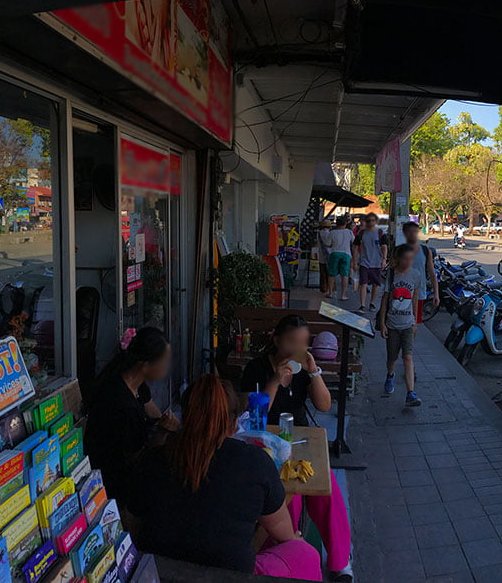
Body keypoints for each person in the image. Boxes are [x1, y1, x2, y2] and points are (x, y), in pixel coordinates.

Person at [130, 375, 322, 580]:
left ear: (185, 418)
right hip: (229, 577)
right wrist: (295, 540)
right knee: (305, 553)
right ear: (233, 425)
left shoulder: (153, 460)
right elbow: (283, 533)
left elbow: (133, 522)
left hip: (158, 574)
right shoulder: (255, 462)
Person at [240, 316, 354, 581]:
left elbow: (324, 406)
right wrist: (276, 382)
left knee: (327, 491)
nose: (297, 350)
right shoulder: (257, 369)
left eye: (303, 344)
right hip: (264, 444)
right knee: (287, 498)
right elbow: (252, 415)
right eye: (292, 343)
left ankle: (340, 561)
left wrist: (313, 371)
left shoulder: (303, 370)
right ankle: (284, 558)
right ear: (277, 341)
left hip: (300, 441)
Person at [84, 327, 179, 509]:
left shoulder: (134, 383)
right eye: (164, 362)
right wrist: (162, 431)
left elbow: (154, 413)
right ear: (145, 365)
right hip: (111, 482)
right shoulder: (122, 405)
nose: (167, 367)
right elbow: (139, 460)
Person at [379, 244, 423, 406]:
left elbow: (415, 299)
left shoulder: (415, 275)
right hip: (392, 324)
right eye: (405, 259)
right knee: (392, 357)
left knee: (408, 356)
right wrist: (382, 323)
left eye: (411, 259)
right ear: (398, 259)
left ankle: (410, 392)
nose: (408, 262)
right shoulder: (391, 275)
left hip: (407, 324)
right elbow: (384, 300)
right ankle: (390, 375)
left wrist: (415, 321)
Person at [401, 221, 440, 323]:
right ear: (405, 233)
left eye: (415, 231)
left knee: (414, 322)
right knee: (400, 323)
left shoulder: (425, 250)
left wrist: (436, 294)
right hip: (401, 293)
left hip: (419, 293)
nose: (413, 234)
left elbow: (432, 274)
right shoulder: (399, 251)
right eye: (410, 232)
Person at [353, 214, 387, 313]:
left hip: (376, 263)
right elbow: (355, 247)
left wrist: (384, 259)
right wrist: (354, 261)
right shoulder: (362, 233)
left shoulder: (380, 233)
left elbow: (384, 247)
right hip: (364, 262)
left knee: (375, 285)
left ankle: (372, 303)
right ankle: (362, 305)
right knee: (363, 283)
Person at [322, 216, 353, 301]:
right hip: (346, 254)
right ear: (345, 223)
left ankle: (330, 293)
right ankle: (343, 295)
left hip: (335, 253)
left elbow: (328, 243)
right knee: (345, 275)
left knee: (332, 274)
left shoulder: (333, 232)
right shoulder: (349, 232)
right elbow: (353, 242)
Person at [316, 218, 333, 296]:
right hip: (329, 254)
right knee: (329, 273)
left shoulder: (319, 233)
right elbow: (329, 243)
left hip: (321, 254)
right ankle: (330, 288)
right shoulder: (329, 234)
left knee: (322, 273)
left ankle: (323, 288)